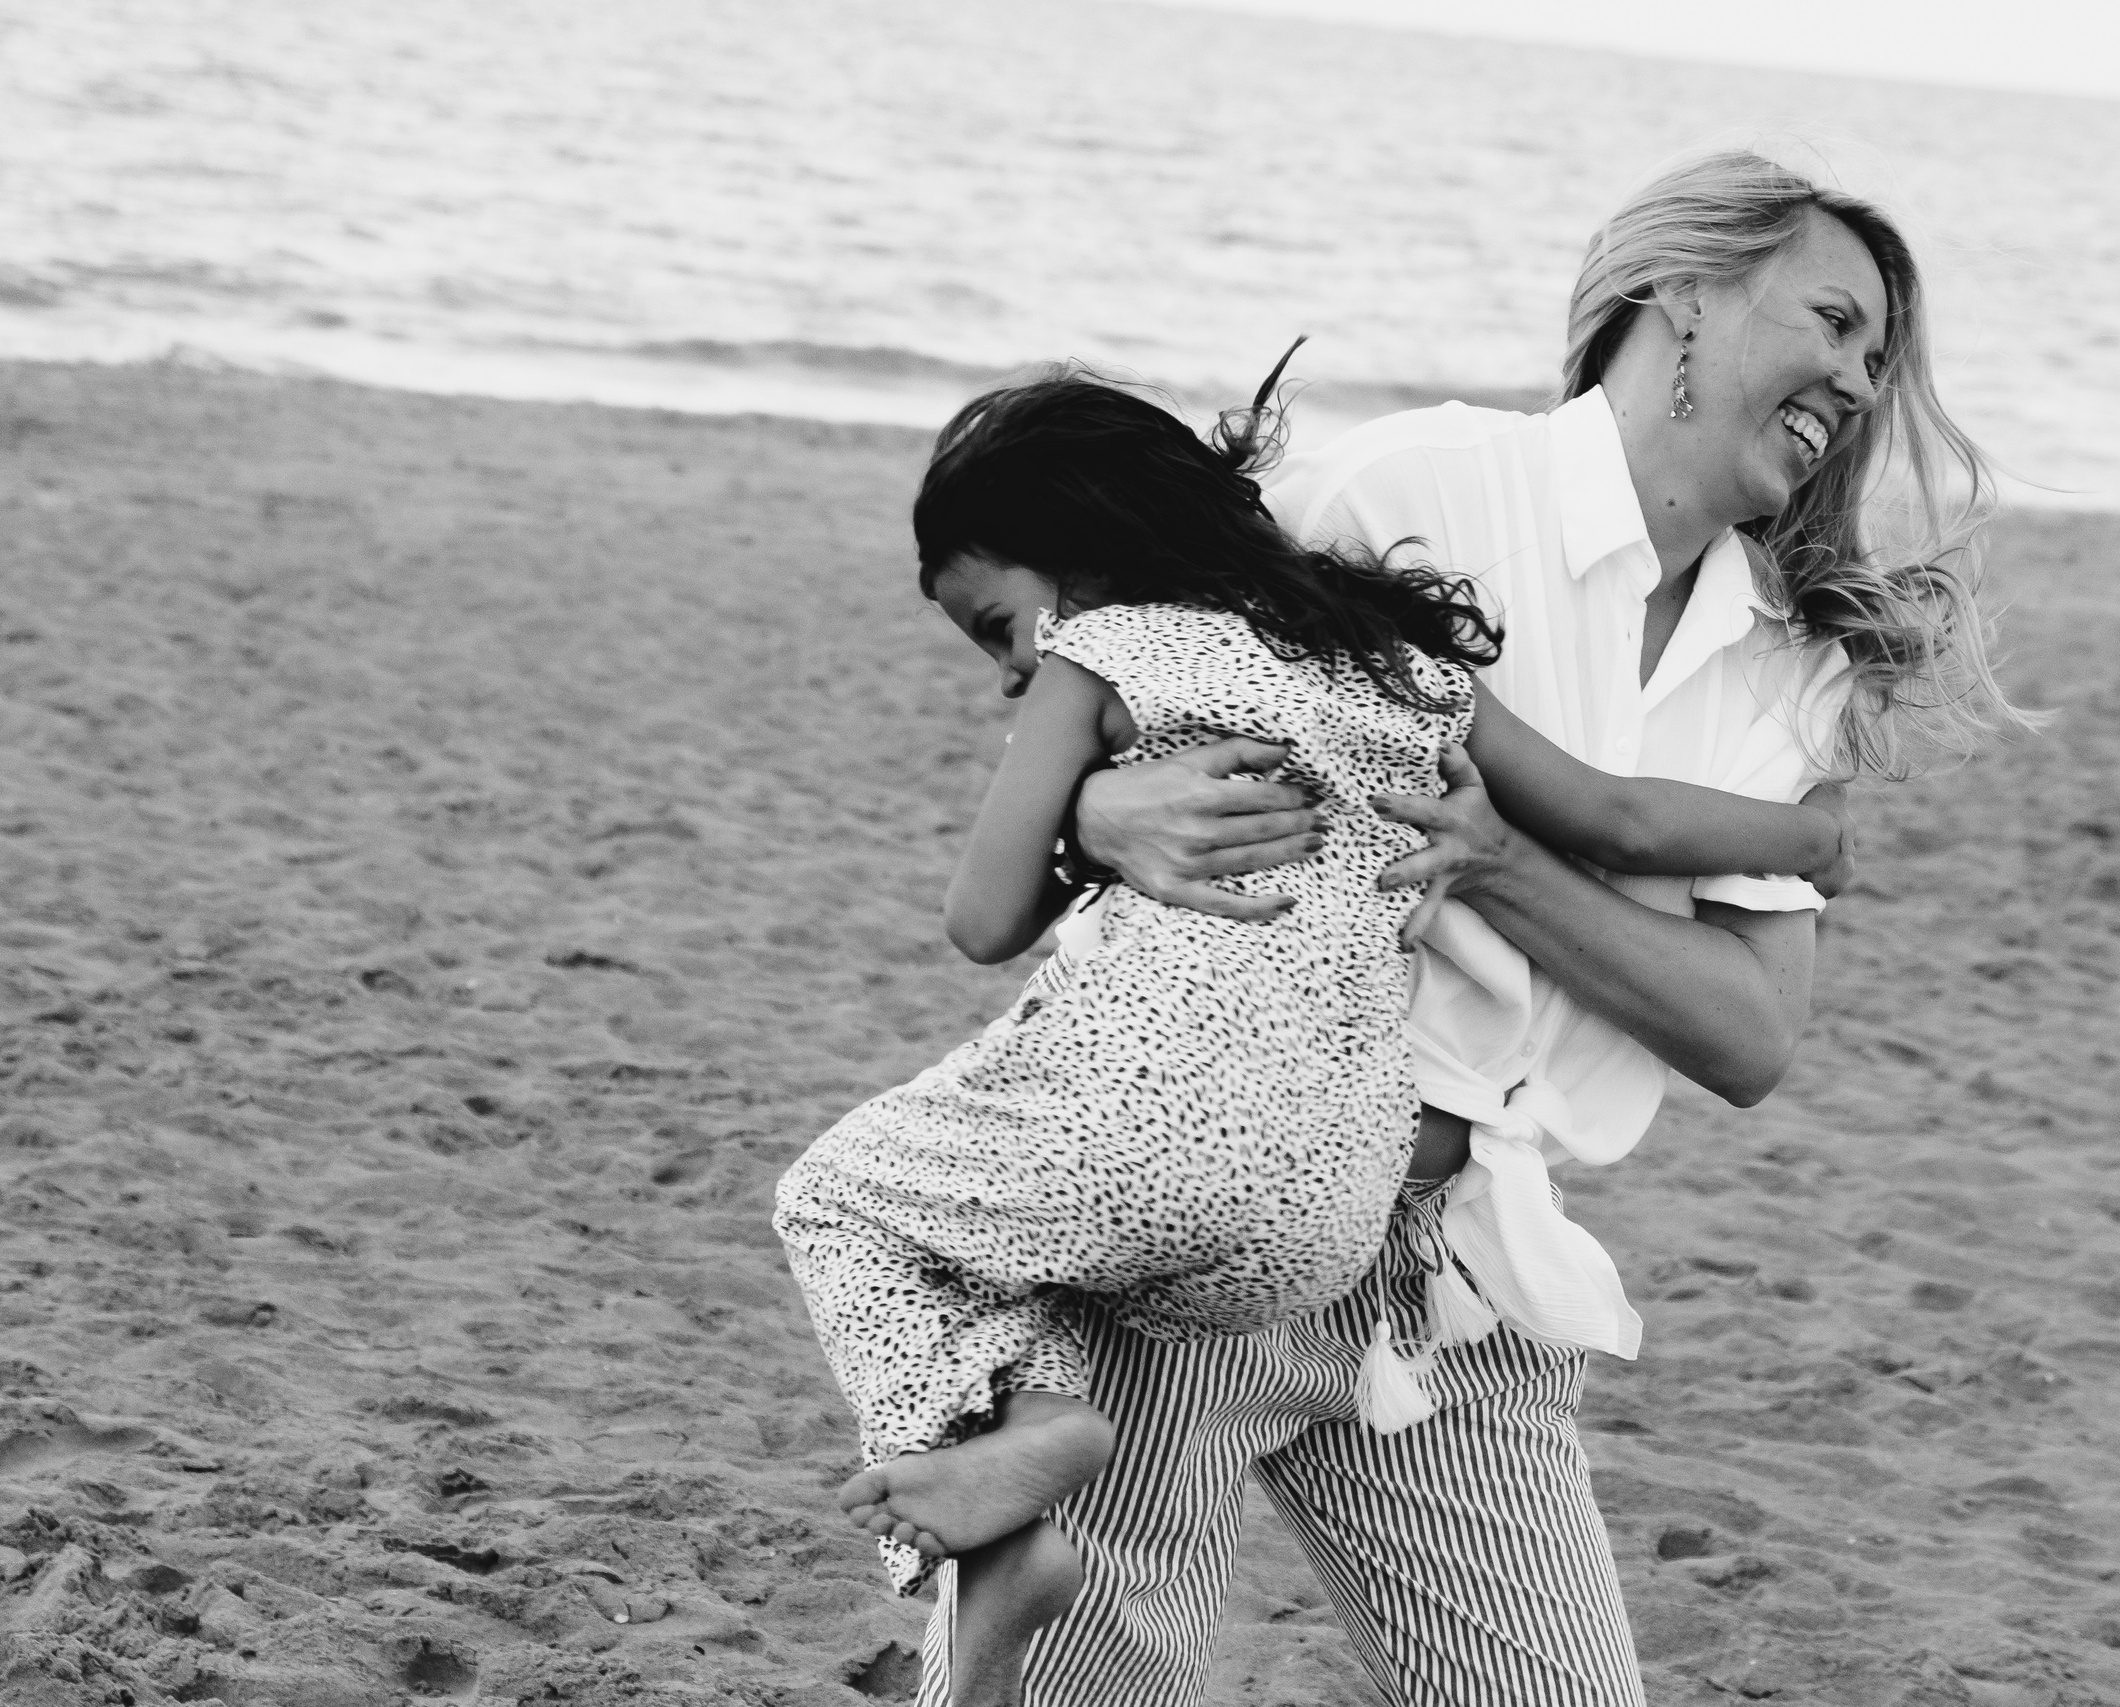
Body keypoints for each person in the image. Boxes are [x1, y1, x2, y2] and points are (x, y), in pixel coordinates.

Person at [913, 149, 2036, 1707]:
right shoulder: (1414, 490)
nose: (1857, 377)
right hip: (1198, 1199)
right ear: (1683, 300)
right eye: (1834, 320)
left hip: (1459, 1275)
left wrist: (1505, 868)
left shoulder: (1793, 670)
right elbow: (1110, 640)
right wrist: (1096, 816)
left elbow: (1751, 1035)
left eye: (1876, 357)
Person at [775, 359, 1861, 1703]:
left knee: (841, 1202)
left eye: (1001, 626)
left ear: (1070, 555)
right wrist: (1804, 838)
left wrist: (1070, 810)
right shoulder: (1404, 646)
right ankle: (1023, 1473)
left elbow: (979, 919)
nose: (1009, 669)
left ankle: (1016, 1434)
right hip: (1338, 1190)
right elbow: (1616, 816)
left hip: (1273, 1214)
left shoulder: (1100, 656)